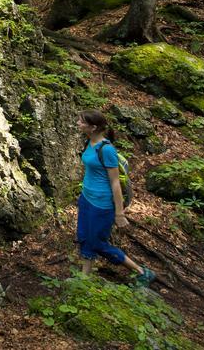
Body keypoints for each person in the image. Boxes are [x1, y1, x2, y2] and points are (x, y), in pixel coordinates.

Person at [76, 110, 156, 287]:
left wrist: (119, 214)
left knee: (98, 243)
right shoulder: (89, 142)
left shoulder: (107, 150)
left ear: (93, 127)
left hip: (102, 204)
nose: (78, 124)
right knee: (84, 237)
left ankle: (142, 272)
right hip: (86, 199)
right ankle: (84, 279)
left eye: (81, 122)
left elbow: (115, 183)